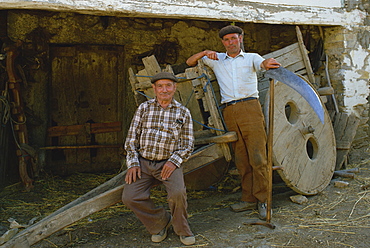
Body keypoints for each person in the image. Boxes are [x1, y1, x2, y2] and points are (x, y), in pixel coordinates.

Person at [186, 25, 280, 220]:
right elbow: (190, 62)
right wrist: (205, 52)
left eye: (234, 39)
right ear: (223, 42)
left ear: (240, 39)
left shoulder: (252, 57)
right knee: (241, 159)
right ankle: (248, 199)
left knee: (258, 157)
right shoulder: (217, 59)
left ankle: (263, 200)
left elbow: (263, 64)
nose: (231, 42)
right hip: (229, 111)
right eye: (227, 40)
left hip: (250, 109)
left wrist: (268, 62)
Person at [122, 71, 196, 245]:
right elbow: (131, 139)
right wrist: (133, 163)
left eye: (168, 86)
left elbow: (187, 144)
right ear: (154, 89)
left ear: (174, 88)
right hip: (143, 163)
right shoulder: (144, 108)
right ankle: (160, 222)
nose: (164, 90)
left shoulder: (183, 113)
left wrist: (173, 161)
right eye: (160, 86)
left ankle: (182, 230)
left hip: (168, 163)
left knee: (177, 194)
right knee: (130, 197)